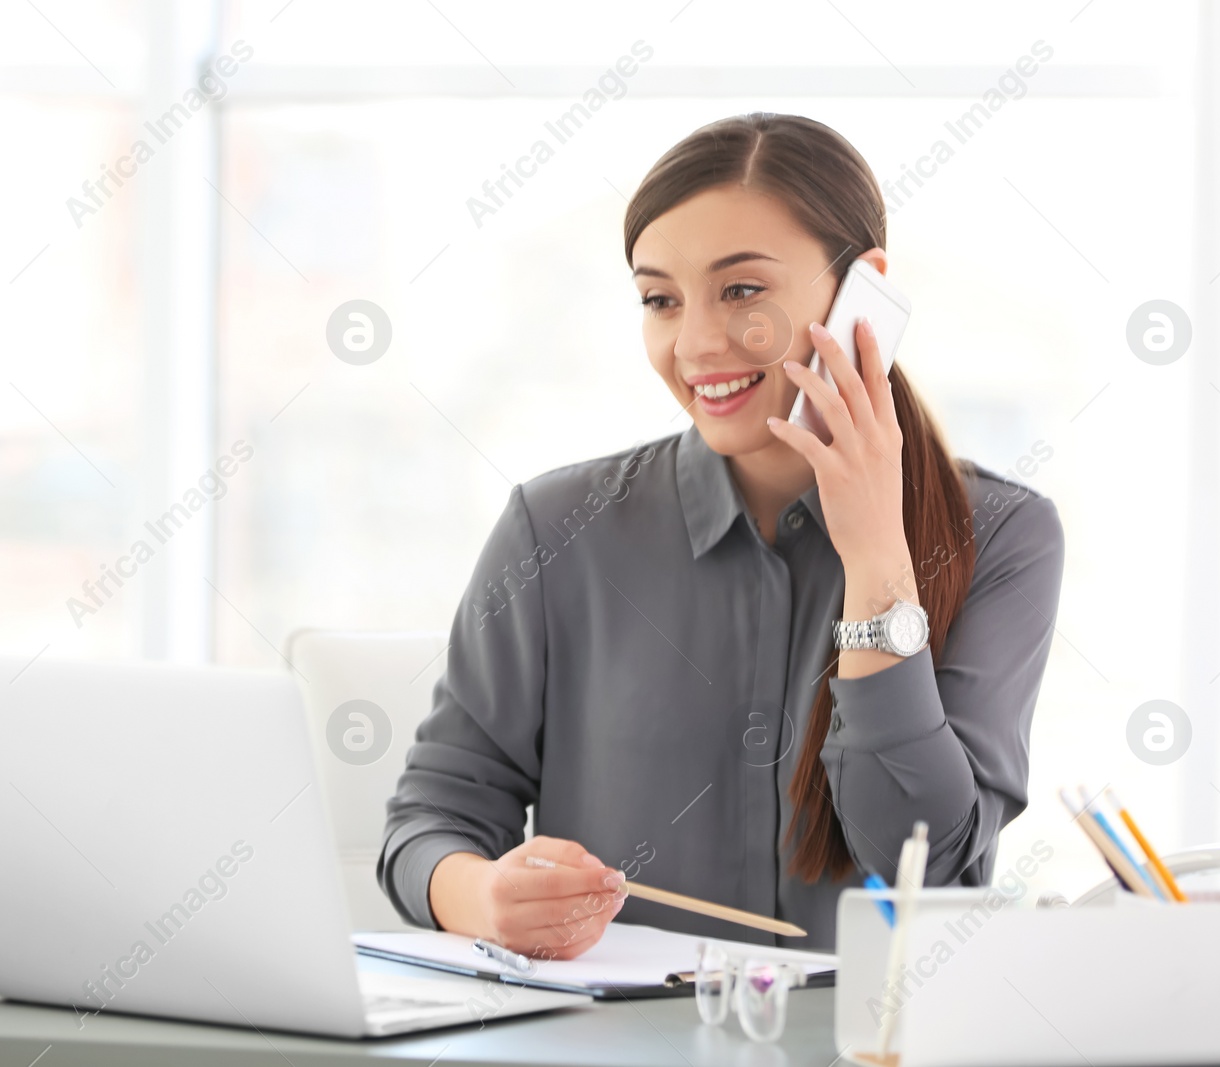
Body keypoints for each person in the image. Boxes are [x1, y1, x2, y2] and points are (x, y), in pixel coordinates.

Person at [378, 113, 1065, 956]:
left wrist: (877, 560)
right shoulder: (553, 530)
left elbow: (930, 874)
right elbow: (431, 819)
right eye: (660, 300)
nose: (695, 344)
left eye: (742, 291)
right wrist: (485, 896)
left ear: (865, 293)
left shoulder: (1000, 537)